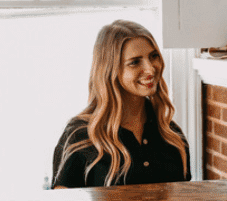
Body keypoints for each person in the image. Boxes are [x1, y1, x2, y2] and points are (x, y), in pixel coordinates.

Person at [52, 20, 190, 188]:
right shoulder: (80, 134)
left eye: (153, 56)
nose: (150, 69)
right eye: (135, 62)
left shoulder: (172, 135)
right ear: (110, 70)